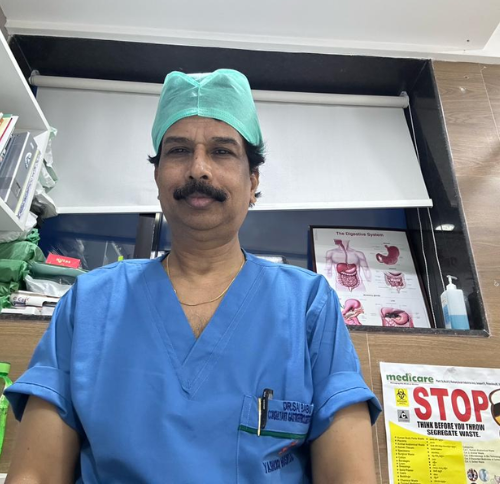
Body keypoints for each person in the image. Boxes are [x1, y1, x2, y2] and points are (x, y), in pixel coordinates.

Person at [5, 69, 381, 484]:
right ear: (157, 176)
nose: (198, 169)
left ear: (252, 181)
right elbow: (35, 475)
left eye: (222, 152)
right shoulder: (91, 302)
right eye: (179, 151)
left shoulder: (308, 305)